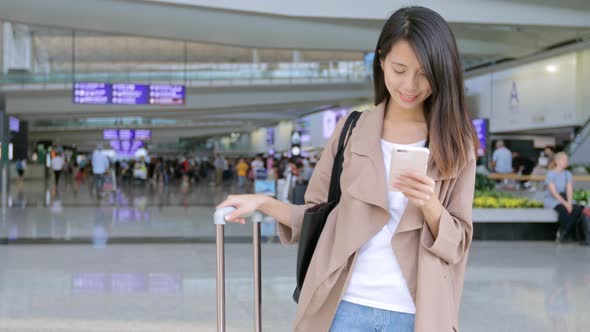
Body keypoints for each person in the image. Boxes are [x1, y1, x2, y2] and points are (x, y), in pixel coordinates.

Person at [217, 6, 478, 332]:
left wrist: (430, 205)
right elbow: (317, 216)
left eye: (424, 74)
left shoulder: (457, 142)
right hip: (342, 307)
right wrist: (262, 202)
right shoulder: (352, 129)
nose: (410, 85)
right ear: (380, 60)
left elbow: (458, 243)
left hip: (417, 313)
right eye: (399, 69)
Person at [544, 152, 585, 244]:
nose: (566, 162)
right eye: (564, 160)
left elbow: (569, 190)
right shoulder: (550, 174)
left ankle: (563, 231)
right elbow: (554, 193)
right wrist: (566, 204)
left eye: (567, 160)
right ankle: (565, 233)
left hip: (566, 199)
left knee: (578, 209)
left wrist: (569, 203)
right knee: (563, 210)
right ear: (557, 161)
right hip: (553, 200)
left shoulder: (568, 174)